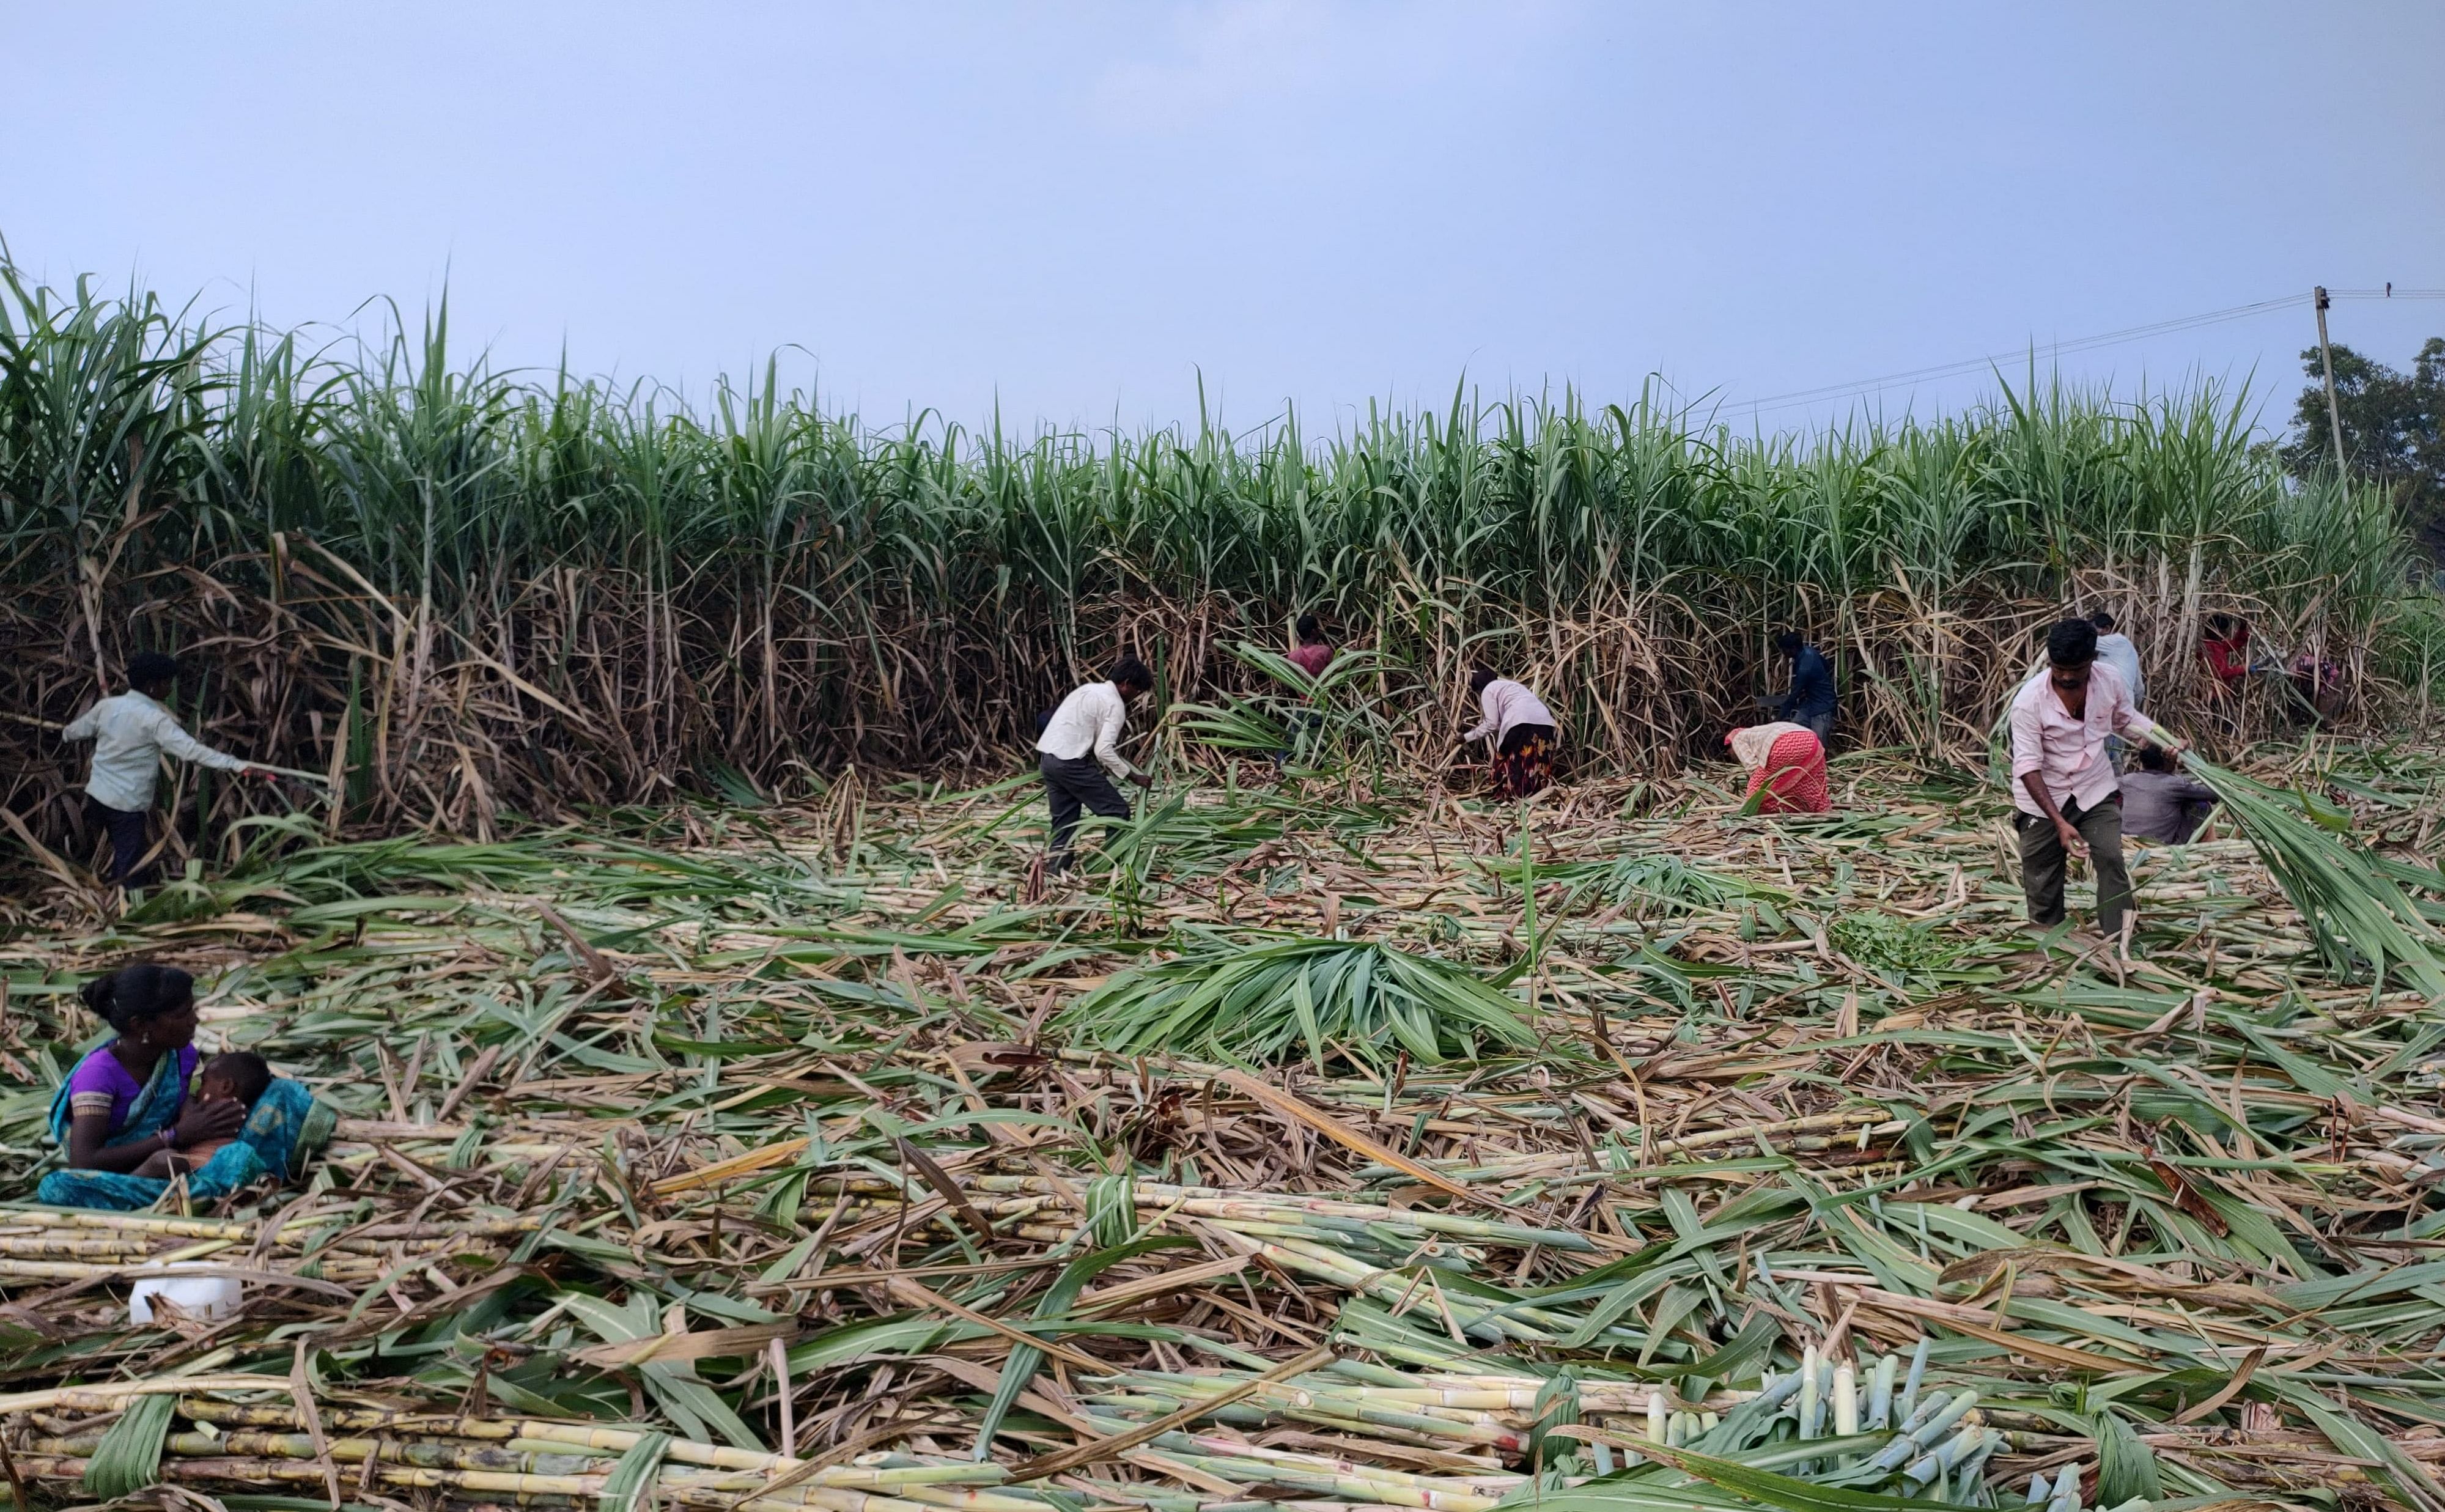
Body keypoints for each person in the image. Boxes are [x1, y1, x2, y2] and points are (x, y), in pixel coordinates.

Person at [40, 964, 328, 1211]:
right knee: (56, 1187)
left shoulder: (180, 1054)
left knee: (282, 1095)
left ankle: (208, 1191)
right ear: (141, 1025)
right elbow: (84, 1162)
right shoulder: (98, 1075)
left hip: (184, 1160)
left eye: (192, 1010)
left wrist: (198, 1114)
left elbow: (175, 1105)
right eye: (182, 1015)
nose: (194, 1021)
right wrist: (174, 1136)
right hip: (122, 1176)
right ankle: (218, 1192)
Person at [2008, 618, 2183, 940]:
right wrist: (2059, 823)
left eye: (2075, 669)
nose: (2066, 676)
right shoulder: (2029, 703)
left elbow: (2125, 719)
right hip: (2043, 800)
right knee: (2042, 880)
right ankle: (2050, 947)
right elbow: (2028, 767)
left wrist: (2163, 740)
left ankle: (2119, 940)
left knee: (2111, 858)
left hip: (2095, 788)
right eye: (2059, 668)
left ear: (2092, 660)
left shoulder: (2110, 681)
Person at [61, 652, 268, 888]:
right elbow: (192, 752)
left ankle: (111, 892)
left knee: (124, 852)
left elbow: (77, 730)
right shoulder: (155, 720)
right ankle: (128, 912)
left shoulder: (107, 707)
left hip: (98, 798)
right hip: (125, 806)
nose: (169, 688)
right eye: (166, 683)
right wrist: (238, 765)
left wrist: (65, 734)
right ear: (152, 686)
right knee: (132, 867)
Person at [1035, 656, 1156, 871]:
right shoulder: (1115, 704)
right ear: (1126, 683)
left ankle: (1056, 872)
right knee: (1117, 812)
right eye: (1137, 691)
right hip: (1070, 763)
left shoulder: (1087, 689)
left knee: (1065, 822)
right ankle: (1112, 867)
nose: (1136, 697)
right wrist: (1134, 776)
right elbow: (1104, 751)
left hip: (1048, 760)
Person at [134, 1052, 271, 1179]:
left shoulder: (205, 1116)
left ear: (226, 1087)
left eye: (204, 1082)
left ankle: (118, 1188)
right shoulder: (248, 1123)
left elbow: (186, 1101)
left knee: (165, 1160)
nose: (198, 1091)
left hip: (195, 1178)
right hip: (196, 1180)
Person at [1459, 668, 1559, 799]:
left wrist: (1466, 737)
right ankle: (1539, 796)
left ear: (1479, 688)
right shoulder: (1512, 686)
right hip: (1545, 722)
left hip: (1520, 722)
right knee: (1538, 761)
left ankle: (1511, 796)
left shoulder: (1488, 690)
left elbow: (1491, 724)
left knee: (1509, 758)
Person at [2120, 745, 2218, 844]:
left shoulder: (2125, 780)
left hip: (2126, 841)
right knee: (2201, 805)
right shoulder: (2176, 784)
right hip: (2159, 844)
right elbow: (2214, 794)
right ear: (2167, 761)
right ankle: (2197, 845)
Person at [1727, 722, 1830, 814]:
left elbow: (1752, 768)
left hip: (1786, 744)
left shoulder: (1737, 739)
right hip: (1814, 742)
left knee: (1757, 792)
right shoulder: (1758, 733)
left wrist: (1750, 798)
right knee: (1810, 784)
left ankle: (1751, 816)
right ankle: (1823, 813)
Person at [2090, 611, 2144, 769]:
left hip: (2113, 703)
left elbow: (2081, 641)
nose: (2091, 635)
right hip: (2120, 704)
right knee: (2114, 750)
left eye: (2094, 630)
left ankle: (2114, 787)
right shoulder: (2127, 650)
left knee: (2111, 752)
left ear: (2106, 629)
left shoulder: (2115, 641)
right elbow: (2140, 688)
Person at [1772, 632, 1835, 747]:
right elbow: (1826, 666)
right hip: (1811, 703)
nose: (1783, 653)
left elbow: (1793, 697)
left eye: (1784, 650)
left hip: (1823, 706)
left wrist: (1777, 720)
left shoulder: (1804, 669)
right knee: (1796, 727)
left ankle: (1824, 763)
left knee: (1820, 745)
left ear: (1793, 649)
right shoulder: (1809, 651)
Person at [2200, 614, 2251, 695]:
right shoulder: (2211, 649)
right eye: (2223, 632)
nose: (2225, 635)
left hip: (2217, 693)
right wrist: (2242, 670)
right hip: (2214, 695)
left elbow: (2235, 644)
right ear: (2214, 631)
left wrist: (2242, 629)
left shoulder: (2215, 645)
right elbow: (2222, 674)